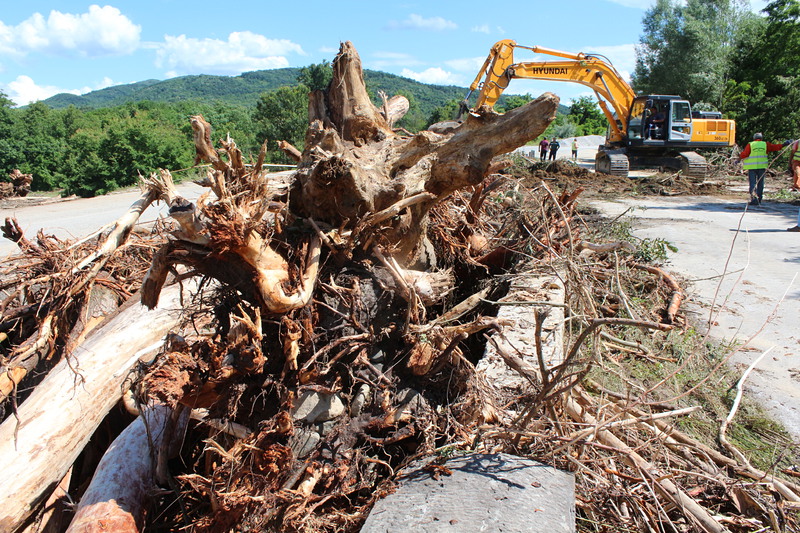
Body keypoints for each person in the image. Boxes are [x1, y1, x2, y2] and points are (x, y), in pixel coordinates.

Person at [738, 132, 786, 206]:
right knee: (761, 183)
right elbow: (775, 147)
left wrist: (738, 159)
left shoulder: (751, 144)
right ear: (761, 138)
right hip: (762, 167)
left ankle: (754, 199)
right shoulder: (765, 144)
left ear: (754, 138)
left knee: (753, 183)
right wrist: (784, 144)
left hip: (752, 167)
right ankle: (759, 199)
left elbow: (745, 154)